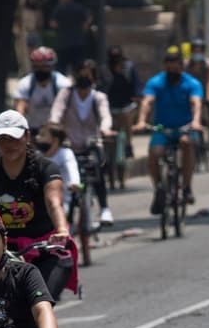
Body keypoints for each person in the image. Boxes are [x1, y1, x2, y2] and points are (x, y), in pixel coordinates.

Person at [0, 111, 75, 308]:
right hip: (4, 253)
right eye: (3, 139)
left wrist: (61, 230)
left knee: (40, 305)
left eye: (14, 138)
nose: (9, 145)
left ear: (27, 137)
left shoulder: (46, 168)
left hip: (46, 250)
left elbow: (54, 202)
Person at [132, 50, 205, 213]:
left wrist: (196, 121)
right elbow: (147, 102)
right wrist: (141, 121)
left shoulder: (192, 83)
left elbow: (196, 103)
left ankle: (186, 187)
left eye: (175, 69)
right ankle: (159, 188)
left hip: (185, 127)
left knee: (186, 144)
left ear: (181, 67)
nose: (172, 73)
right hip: (162, 128)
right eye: (168, 69)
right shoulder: (156, 82)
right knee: (154, 154)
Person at [49, 59, 114, 226]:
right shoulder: (66, 94)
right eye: (81, 73)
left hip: (92, 143)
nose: (84, 77)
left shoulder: (98, 97)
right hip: (70, 143)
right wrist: (54, 126)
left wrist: (105, 129)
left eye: (88, 73)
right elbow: (57, 112)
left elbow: (105, 115)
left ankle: (104, 208)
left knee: (98, 167)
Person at [14, 47, 72, 138]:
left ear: (52, 66)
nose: (40, 70)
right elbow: (20, 109)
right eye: (37, 67)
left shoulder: (63, 84)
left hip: (56, 132)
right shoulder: (25, 84)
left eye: (44, 66)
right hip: (32, 131)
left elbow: (69, 109)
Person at [99, 46, 141, 162]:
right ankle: (108, 155)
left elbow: (136, 86)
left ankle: (128, 144)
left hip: (127, 104)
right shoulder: (105, 70)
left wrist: (137, 98)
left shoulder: (129, 67)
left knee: (126, 116)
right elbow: (101, 89)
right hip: (110, 106)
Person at [35, 123, 82, 215]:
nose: (37, 137)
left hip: (61, 200)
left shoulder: (65, 154)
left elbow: (72, 169)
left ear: (55, 140)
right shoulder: (36, 155)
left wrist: (74, 183)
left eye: (42, 135)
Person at [50, 0, 91, 75]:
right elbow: (88, 20)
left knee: (61, 70)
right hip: (78, 42)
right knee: (79, 70)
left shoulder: (59, 9)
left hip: (63, 43)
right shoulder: (79, 8)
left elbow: (53, 24)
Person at [186, 37, 209, 142]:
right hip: (193, 91)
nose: (197, 53)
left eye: (199, 50)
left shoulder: (208, 64)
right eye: (195, 50)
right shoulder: (187, 64)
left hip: (208, 89)